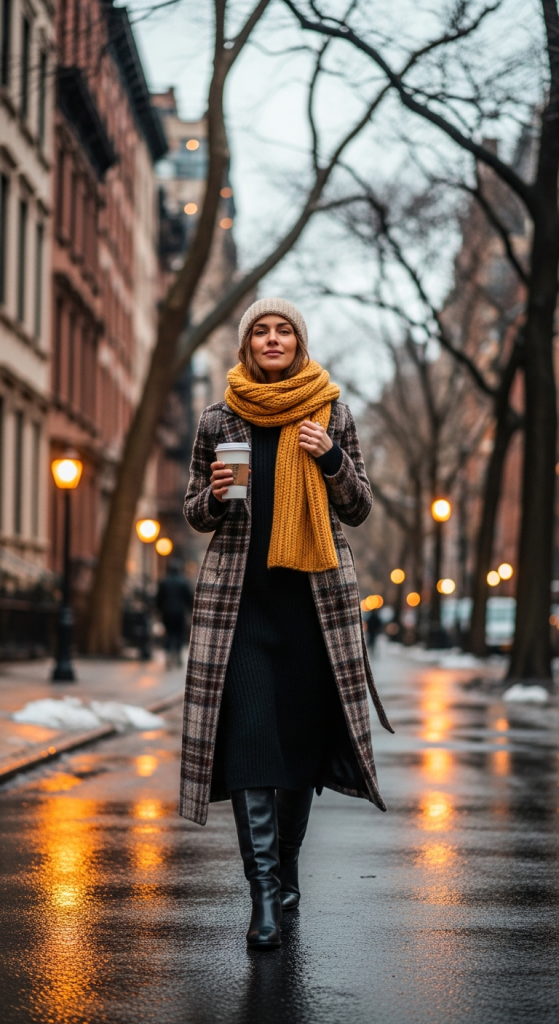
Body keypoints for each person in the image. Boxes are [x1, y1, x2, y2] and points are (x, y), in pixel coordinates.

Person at [180, 298, 393, 950]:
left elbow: (357, 509)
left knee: (296, 751)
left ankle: (288, 871)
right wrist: (213, 496)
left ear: (299, 342)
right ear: (247, 345)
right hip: (240, 609)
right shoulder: (220, 418)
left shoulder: (330, 412)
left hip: (311, 608)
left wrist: (331, 457)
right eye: (261, 331)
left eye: (284, 330)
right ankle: (264, 896)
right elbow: (192, 511)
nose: (272, 338)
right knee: (249, 746)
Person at [156, 560, 194, 667]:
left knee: (168, 633)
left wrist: (159, 610)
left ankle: (168, 655)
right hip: (179, 613)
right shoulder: (183, 582)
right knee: (179, 634)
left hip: (167, 613)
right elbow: (189, 598)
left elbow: (159, 599)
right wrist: (191, 610)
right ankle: (177, 656)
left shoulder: (164, 582)